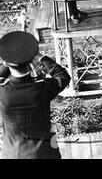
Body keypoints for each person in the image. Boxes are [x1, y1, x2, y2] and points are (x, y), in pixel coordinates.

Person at [0, 31, 71, 159]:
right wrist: (39, 57)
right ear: (30, 60)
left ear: (5, 62)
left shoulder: (2, 91)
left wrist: (11, 59)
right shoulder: (42, 88)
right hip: (47, 152)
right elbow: (63, 76)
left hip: (13, 154)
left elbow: (3, 72)